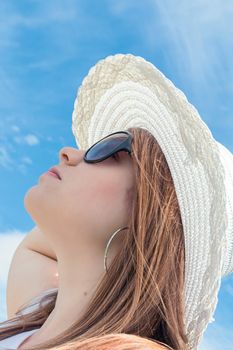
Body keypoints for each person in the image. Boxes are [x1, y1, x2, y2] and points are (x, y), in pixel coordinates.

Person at [0, 53, 232, 350]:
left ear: (151, 213)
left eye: (109, 148)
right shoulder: (39, 314)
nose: (69, 153)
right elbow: (36, 248)